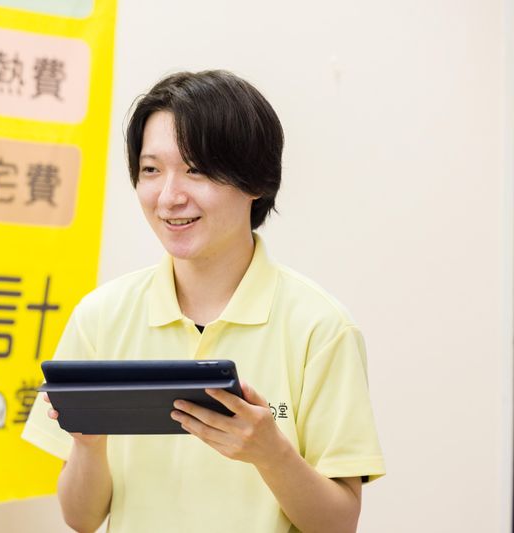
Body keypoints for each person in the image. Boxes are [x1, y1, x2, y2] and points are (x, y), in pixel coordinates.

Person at [22, 70, 385, 533]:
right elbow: (82, 518)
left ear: (256, 180)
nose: (169, 197)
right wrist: (88, 445)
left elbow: (338, 524)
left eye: (196, 169)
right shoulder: (100, 317)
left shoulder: (320, 327)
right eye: (151, 170)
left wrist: (271, 453)